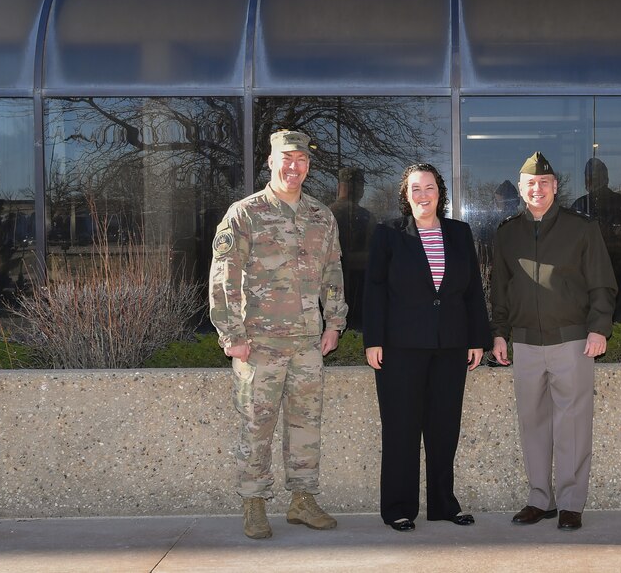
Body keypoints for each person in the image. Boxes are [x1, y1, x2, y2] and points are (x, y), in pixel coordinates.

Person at [209, 128, 348, 540]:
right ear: (270, 161)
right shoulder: (245, 213)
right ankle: (254, 503)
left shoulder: (322, 215)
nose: (294, 166)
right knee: (257, 424)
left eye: (302, 160)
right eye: (287, 158)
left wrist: (335, 323)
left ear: (309, 166)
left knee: (306, 424)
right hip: (260, 343)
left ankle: (302, 501)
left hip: (307, 341)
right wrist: (231, 333)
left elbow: (333, 272)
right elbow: (224, 277)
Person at [489, 151, 617, 532]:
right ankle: (539, 499)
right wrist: (499, 332)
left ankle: (571, 502)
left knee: (573, 424)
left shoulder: (582, 229)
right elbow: (499, 289)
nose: (537, 189)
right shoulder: (507, 233)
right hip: (526, 343)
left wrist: (599, 328)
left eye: (544, 182)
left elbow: (602, 284)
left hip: (572, 341)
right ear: (522, 188)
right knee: (533, 423)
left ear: (555, 187)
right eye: (531, 183)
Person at [362, 163, 491, 531]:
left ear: (440, 192)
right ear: (405, 195)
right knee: (401, 428)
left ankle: (444, 504)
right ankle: (398, 508)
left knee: (444, 428)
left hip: (450, 346)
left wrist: (477, 339)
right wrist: (373, 340)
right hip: (400, 348)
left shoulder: (459, 232)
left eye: (429, 187)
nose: (423, 195)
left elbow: (472, 292)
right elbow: (373, 291)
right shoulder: (388, 234)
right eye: (415, 189)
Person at [571, 158, 621, 320]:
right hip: (587, 280)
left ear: (606, 178)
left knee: (619, 323)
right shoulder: (580, 206)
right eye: (587, 176)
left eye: (595, 176)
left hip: (620, 276)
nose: (590, 180)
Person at [330, 167, 377, 332]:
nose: (357, 190)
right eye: (357, 186)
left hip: (338, 290)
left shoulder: (326, 214)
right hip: (352, 289)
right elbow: (372, 257)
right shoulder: (365, 217)